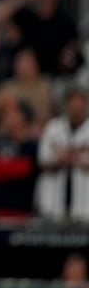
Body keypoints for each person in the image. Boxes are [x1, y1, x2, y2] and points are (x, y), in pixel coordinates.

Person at [36, 87, 89, 220]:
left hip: (85, 201)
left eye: (80, 102)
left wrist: (68, 154)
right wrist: (74, 154)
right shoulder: (53, 127)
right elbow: (43, 161)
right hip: (54, 199)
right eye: (72, 102)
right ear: (66, 104)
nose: (76, 106)